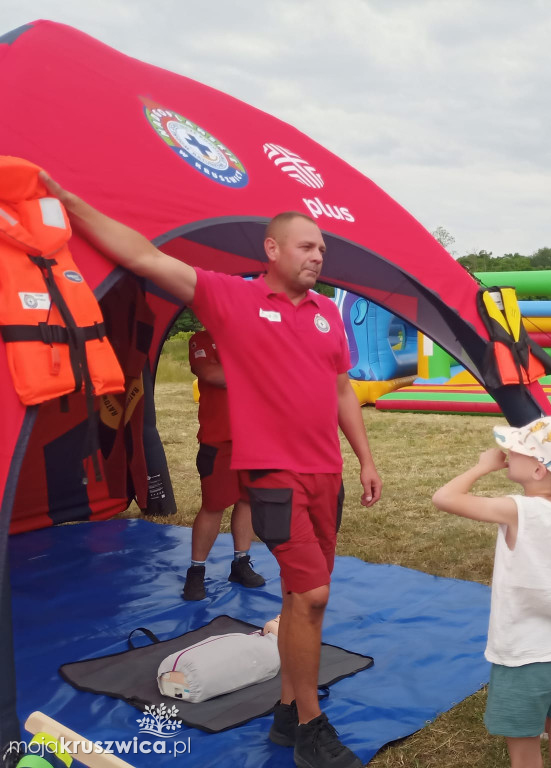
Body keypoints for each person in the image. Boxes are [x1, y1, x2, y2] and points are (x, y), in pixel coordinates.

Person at [40, 172, 382, 768]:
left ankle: (281, 713)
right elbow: (146, 256)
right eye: (307, 246)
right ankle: (309, 727)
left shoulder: (328, 314)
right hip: (274, 474)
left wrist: (365, 457)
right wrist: (70, 203)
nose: (318, 256)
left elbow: (341, 390)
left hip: (326, 474)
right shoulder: (234, 298)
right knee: (313, 593)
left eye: (322, 249)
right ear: (271, 250)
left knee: (305, 601)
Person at [432, 414, 551, 768]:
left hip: (523, 659)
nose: (505, 451)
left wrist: (480, 467)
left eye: (516, 449)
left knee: (525, 756)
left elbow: (444, 497)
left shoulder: (516, 509)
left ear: (538, 470)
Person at [182, 329, 265, 601]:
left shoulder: (252, 336)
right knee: (213, 505)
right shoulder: (202, 339)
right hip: (218, 440)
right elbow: (210, 374)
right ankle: (196, 571)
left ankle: (241, 563)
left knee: (247, 500)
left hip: (252, 438)